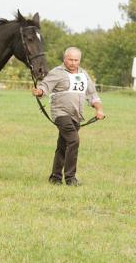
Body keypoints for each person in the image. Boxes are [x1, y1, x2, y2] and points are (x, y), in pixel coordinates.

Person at [32, 47, 104, 186]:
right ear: (64, 59)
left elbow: (93, 95)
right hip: (61, 113)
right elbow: (45, 87)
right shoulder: (57, 73)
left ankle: (55, 177)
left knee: (63, 146)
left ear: (80, 60)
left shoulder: (84, 74)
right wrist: (39, 91)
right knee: (73, 140)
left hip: (76, 115)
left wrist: (99, 110)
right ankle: (70, 178)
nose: (73, 63)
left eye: (76, 60)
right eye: (70, 59)